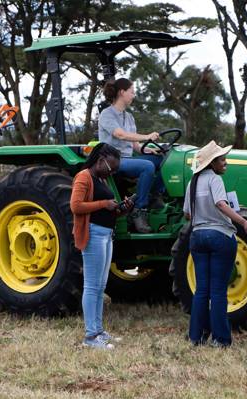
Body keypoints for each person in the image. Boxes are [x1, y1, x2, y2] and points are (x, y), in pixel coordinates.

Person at [183, 140, 247, 347]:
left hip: (197, 237)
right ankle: (221, 339)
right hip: (219, 237)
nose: (225, 162)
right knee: (218, 291)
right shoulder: (215, 180)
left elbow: (187, 214)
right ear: (212, 163)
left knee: (201, 291)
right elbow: (220, 204)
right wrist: (243, 221)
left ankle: (195, 337)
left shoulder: (192, 182)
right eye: (222, 159)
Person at [70, 143, 133, 349]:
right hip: (94, 234)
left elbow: (109, 210)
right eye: (111, 167)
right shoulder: (84, 177)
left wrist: (122, 209)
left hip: (106, 234)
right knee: (92, 286)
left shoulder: (101, 178)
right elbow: (76, 206)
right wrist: (104, 204)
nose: (113, 172)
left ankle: (98, 331)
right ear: (100, 161)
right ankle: (90, 336)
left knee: (100, 287)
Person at [98, 77, 164, 233]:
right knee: (147, 166)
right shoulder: (107, 115)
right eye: (132, 92)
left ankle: (153, 195)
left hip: (128, 158)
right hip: (112, 160)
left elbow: (135, 146)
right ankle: (138, 211)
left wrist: (147, 150)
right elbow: (120, 135)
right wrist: (147, 136)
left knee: (163, 160)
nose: (134, 95)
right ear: (122, 92)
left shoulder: (129, 117)